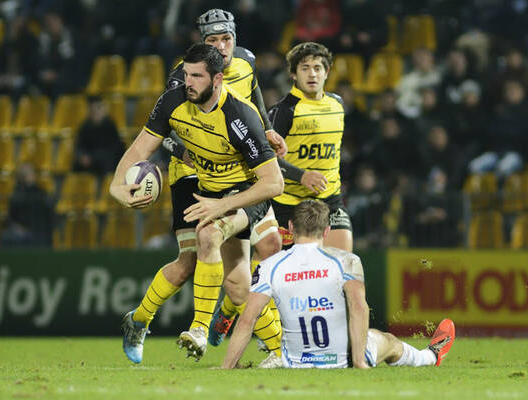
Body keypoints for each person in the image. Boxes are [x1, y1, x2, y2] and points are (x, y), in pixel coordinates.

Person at [121, 9, 287, 365]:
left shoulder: (244, 68)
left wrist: (265, 130)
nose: (221, 46)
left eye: (226, 39)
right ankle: (140, 320)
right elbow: (156, 139)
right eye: (213, 40)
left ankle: (232, 322)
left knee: (253, 252)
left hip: (240, 175)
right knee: (189, 262)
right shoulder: (181, 84)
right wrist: (184, 150)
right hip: (192, 173)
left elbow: (254, 103)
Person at [222, 199, 456, 369]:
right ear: (326, 231)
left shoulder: (269, 266)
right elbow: (358, 308)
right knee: (389, 341)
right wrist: (358, 362)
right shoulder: (346, 261)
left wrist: (227, 367)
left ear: (291, 228)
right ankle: (430, 356)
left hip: (294, 361)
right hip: (341, 359)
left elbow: (247, 320)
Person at [267, 42, 353, 254]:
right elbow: (266, 158)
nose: (312, 74)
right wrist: (301, 176)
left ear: (327, 72)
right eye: (305, 68)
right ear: (294, 75)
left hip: (330, 200)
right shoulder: (283, 111)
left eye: (317, 68)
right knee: (287, 277)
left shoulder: (338, 104)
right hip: (289, 202)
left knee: (344, 270)